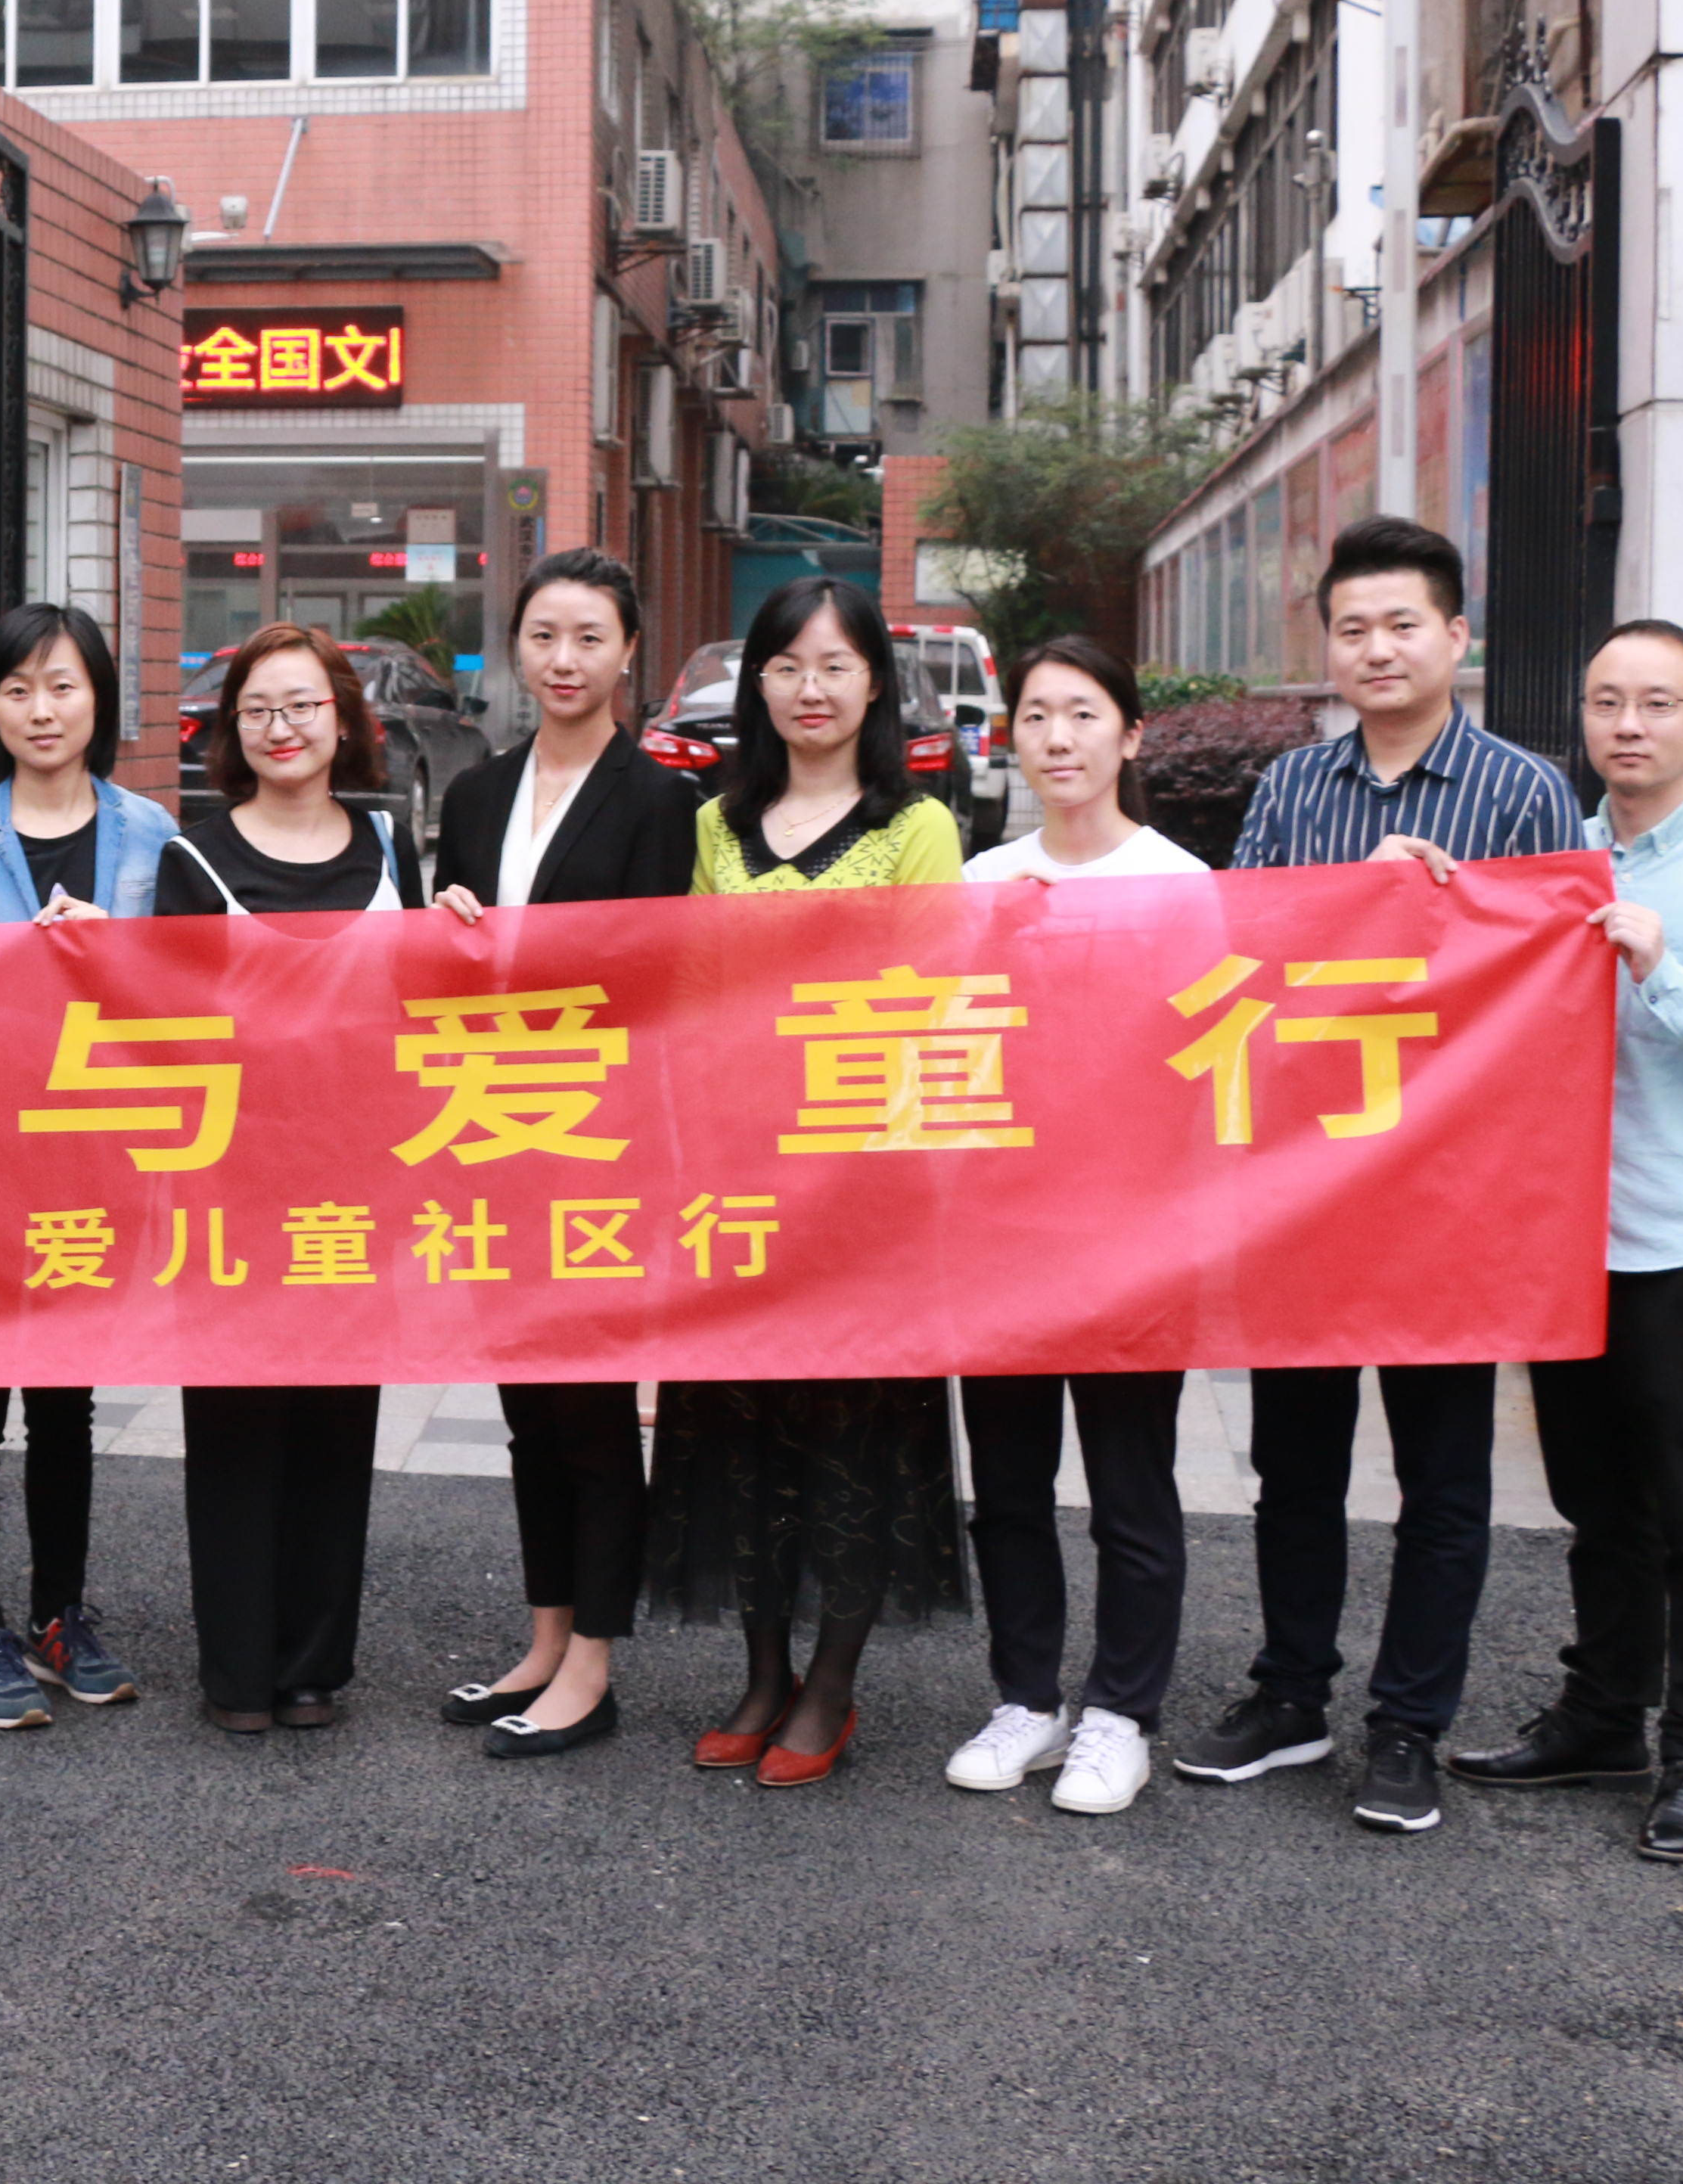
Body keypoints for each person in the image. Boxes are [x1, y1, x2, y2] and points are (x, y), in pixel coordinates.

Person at [1169, 513, 1579, 1834]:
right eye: (1353, 629)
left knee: (1443, 1478)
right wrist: (1358, 894)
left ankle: (1409, 1724)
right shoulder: (1293, 790)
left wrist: (1438, 910)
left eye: (1404, 624)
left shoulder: (1524, 792)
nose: (1378, 649)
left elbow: (1548, 991)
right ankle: (1291, 1694)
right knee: (1296, 1466)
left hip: (1451, 1194)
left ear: (1457, 636)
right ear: (1330, 649)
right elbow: (1240, 964)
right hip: (1309, 1185)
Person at [1450, 619, 1683, 1863]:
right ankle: (1605, 1719)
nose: (1628, 724)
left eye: (1658, 702)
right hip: (1571, 1239)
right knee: (1597, 1505)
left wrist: (1666, 973)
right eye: (1607, 700)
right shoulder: (1560, 862)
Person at [651, 576, 970, 1785]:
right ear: (759, 686)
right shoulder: (715, 825)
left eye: (835, 665)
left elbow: (926, 1003)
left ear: (876, 682)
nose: (811, 689)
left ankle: (830, 1685)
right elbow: (691, 996)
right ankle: (762, 1670)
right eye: (787, 666)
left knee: (852, 1439)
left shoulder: (917, 827)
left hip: (864, 1188)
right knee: (741, 1435)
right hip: (736, 1179)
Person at [429, 548, 700, 1761]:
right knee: (527, 1415)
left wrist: (516, 963)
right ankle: (543, 1642)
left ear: (629, 651)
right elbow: (441, 975)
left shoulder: (659, 803)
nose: (565, 659)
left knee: (590, 1414)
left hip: (596, 1146)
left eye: (591, 636)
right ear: (518, 649)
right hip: (491, 1137)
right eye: (545, 635)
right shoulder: (476, 795)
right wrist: (445, 932)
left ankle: (593, 1665)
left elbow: (653, 982)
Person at [949, 636, 1214, 1815]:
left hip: (1131, 1234)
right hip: (1001, 1231)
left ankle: (1122, 1714)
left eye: (1084, 714)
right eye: (1037, 716)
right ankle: (1027, 1697)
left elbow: (1208, 1059)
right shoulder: (982, 881)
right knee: (1008, 1484)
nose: (1058, 738)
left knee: (1128, 1486)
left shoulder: (1179, 882)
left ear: (1131, 735)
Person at [0, 601, 181, 1728]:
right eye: (18, 689)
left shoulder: (151, 832)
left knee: (67, 1401)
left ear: (98, 699)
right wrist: (17, 963)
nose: (42, 709)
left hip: (91, 1160)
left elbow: (189, 995)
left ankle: (61, 1614)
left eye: (63, 686)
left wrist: (114, 960)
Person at [153, 622, 424, 1735]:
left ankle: (314, 1665)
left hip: (356, 1189)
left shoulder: (391, 847)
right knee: (234, 1429)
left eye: (304, 705)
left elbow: (421, 1007)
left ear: (344, 721)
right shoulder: (194, 858)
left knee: (335, 1429)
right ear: (232, 730)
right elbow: (163, 1033)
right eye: (258, 708)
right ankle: (237, 1673)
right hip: (231, 1191)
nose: (282, 728)